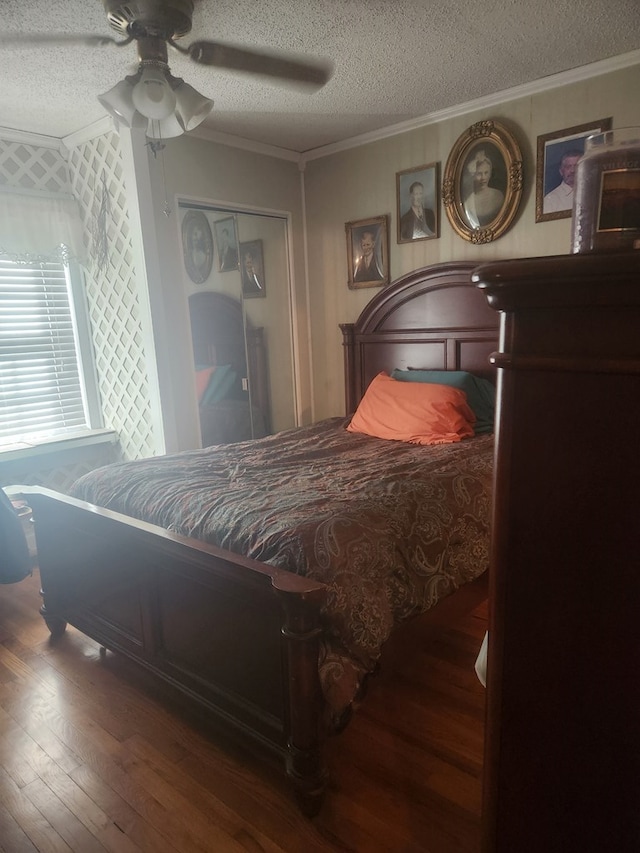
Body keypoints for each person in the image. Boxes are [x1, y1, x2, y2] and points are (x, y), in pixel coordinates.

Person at [463, 149, 505, 228]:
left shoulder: (498, 195)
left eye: (486, 173)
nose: (483, 178)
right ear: (473, 176)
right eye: (479, 174)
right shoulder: (468, 202)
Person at [543, 149, 582, 214]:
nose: (572, 170)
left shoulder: (595, 192)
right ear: (561, 171)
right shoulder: (550, 200)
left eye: (577, 166)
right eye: (568, 167)